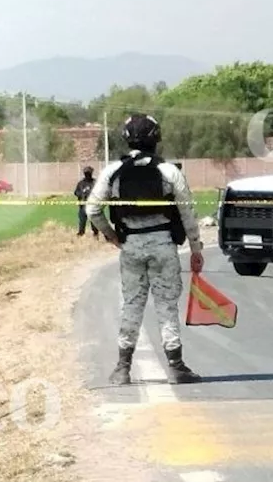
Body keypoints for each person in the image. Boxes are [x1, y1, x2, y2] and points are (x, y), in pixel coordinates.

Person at [87, 113, 203, 386]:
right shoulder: (169, 172)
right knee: (166, 306)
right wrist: (196, 249)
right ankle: (176, 366)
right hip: (163, 245)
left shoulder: (113, 171)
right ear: (156, 138)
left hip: (131, 246)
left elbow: (92, 209)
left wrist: (112, 235)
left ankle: (122, 369)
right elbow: (188, 214)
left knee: (132, 305)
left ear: (127, 139)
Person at [74, 166, 99, 237]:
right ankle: (80, 234)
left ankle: (95, 234)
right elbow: (76, 192)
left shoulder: (95, 183)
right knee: (82, 222)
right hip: (83, 206)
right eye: (86, 173)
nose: (87, 175)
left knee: (94, 222)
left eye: (89, 173)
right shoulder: (81, 183)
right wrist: (81, 194)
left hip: (93, 206)